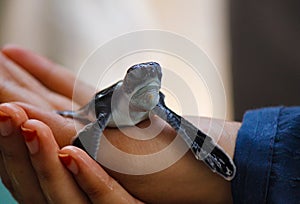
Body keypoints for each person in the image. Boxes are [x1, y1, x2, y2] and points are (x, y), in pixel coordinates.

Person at [0, 45, 299, 203]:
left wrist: (249, 157)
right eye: (139, 77)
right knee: (69, 120)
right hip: (97, 110)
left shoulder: (155, 102)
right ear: (129, 84)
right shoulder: (115, 102)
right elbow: (90, 118)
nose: (150, 80)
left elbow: (179, 124)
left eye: (155, 82)